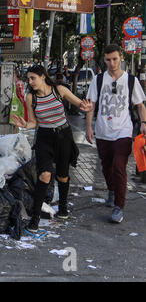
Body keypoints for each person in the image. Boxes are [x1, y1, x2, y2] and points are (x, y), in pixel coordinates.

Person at [11, 65, 92, 233]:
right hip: (44, 138)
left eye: (33, 78)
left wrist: (86, 107)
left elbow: (79, 103)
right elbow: (34, 122)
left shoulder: (59, 90)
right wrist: (25, 124)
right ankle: (35, 219)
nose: (30, 82)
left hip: (63, 136)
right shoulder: (30, 98)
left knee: (62, 176)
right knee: (45, 174)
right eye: (28, 79)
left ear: (42, 77)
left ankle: (63, 208)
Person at [85, 44, 146, 223]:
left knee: (119, 167)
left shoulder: (130, 80)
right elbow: (91, 105)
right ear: (104, 60)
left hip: (123, 131)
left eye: (115, 59)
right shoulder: (98, 80)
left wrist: (144, 123)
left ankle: (119, 206)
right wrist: (88, 127)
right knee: (106, 166)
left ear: (121, 58)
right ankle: (111, 190)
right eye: (108, 60)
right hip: (103, 132)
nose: (112, 63)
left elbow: (140, 105)